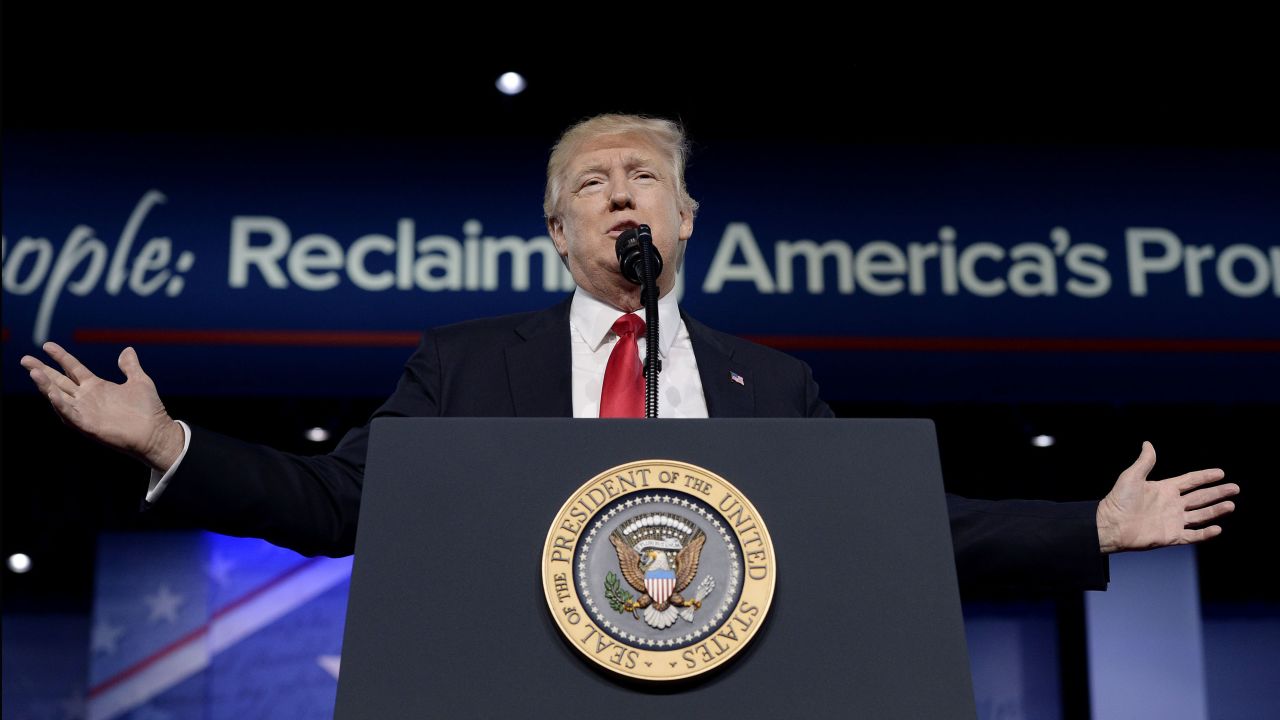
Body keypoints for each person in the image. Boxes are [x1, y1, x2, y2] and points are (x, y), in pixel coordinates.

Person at [19, 114, 1239, 591]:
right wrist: (170, 443)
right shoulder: (464, 363)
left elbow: (881, 524)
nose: (620, 194)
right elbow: (341, 507)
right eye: (589, 183)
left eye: (643, 178)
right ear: (556, 233)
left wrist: (1088, 525)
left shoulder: (776, 383)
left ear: (683, 219)